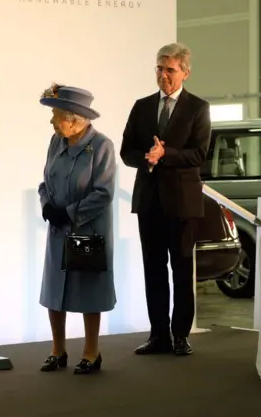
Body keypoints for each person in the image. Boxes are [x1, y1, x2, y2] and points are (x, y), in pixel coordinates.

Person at [119, 42, 211, 357]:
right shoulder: (142, 106)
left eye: (170, 70)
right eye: (159, 69)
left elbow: (199, 154)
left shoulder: (198, 108)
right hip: (149, 200)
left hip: (182, 202)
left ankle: (180, 335)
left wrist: (166, 154)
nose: (163, 75)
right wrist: (147, 157)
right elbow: (126, 150)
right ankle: (158, 334)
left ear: (185, 72)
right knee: (154, 269)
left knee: (182, 270)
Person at [37, 84, 117, 375]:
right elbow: (45, 181)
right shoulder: (56, 142)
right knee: (54, 291)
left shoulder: (102, 146)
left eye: (56, 114)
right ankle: (57, 351)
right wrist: (47, 205)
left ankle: (91, 353)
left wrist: (69, 214)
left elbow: (103, 193)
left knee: (87, 292)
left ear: (75, 118)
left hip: (87, 230)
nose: (52, 121)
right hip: (58, 230)